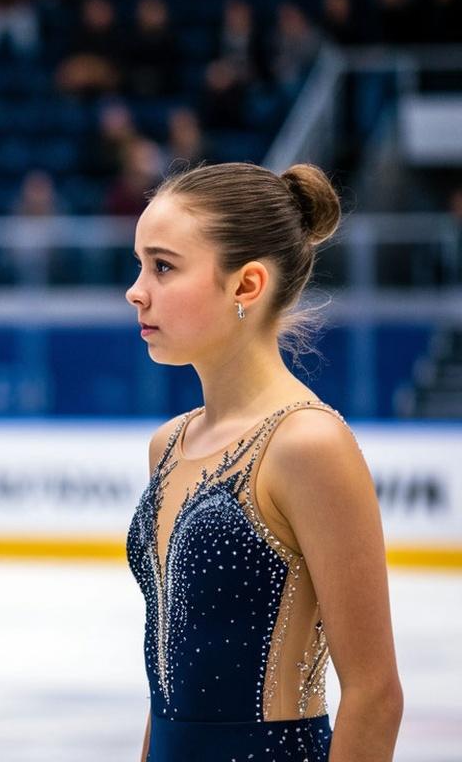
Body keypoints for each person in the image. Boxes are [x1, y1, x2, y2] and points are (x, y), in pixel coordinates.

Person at [125, 163, 403, 761]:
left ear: (246, 285)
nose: (136, 289)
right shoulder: (168, 446)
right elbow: (166, 679)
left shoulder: (307, 445)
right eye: (140, 264)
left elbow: (375, 694)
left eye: (164, 266)